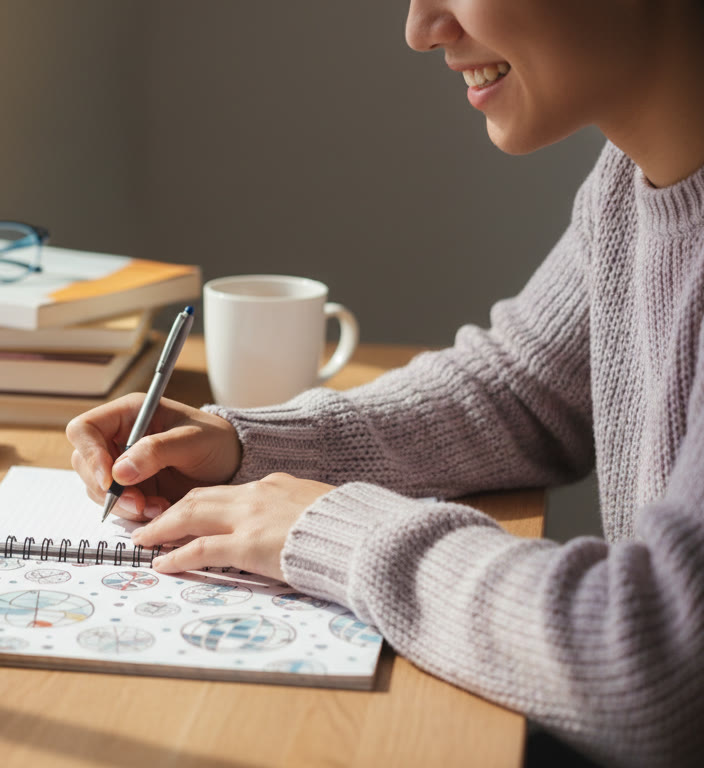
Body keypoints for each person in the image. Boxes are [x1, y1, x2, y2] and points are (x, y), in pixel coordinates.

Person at [65, 2, 704, 766]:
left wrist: (326, 529)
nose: (422, 26)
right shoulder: (628, 183)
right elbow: (522, 388)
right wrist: (244, 443)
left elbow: (660, 660)